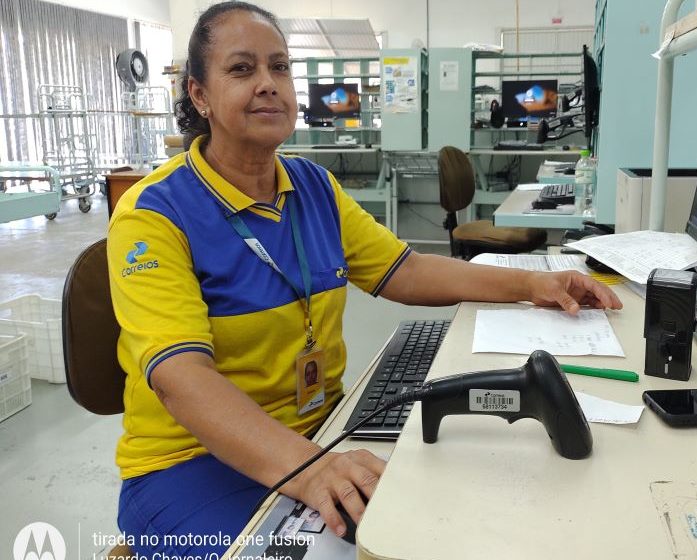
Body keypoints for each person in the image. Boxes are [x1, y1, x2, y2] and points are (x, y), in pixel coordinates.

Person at [108, 2, 623, 558]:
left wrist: (533, 286)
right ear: (199, 95)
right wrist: (310, 467)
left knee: (459, 516)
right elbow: (181, 379)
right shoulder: (155, 214)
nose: (268, 83)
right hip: (190, 464)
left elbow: (406, 270)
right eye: (241, 69)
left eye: (279, 67)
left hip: (319, 431)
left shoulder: (312, 186)